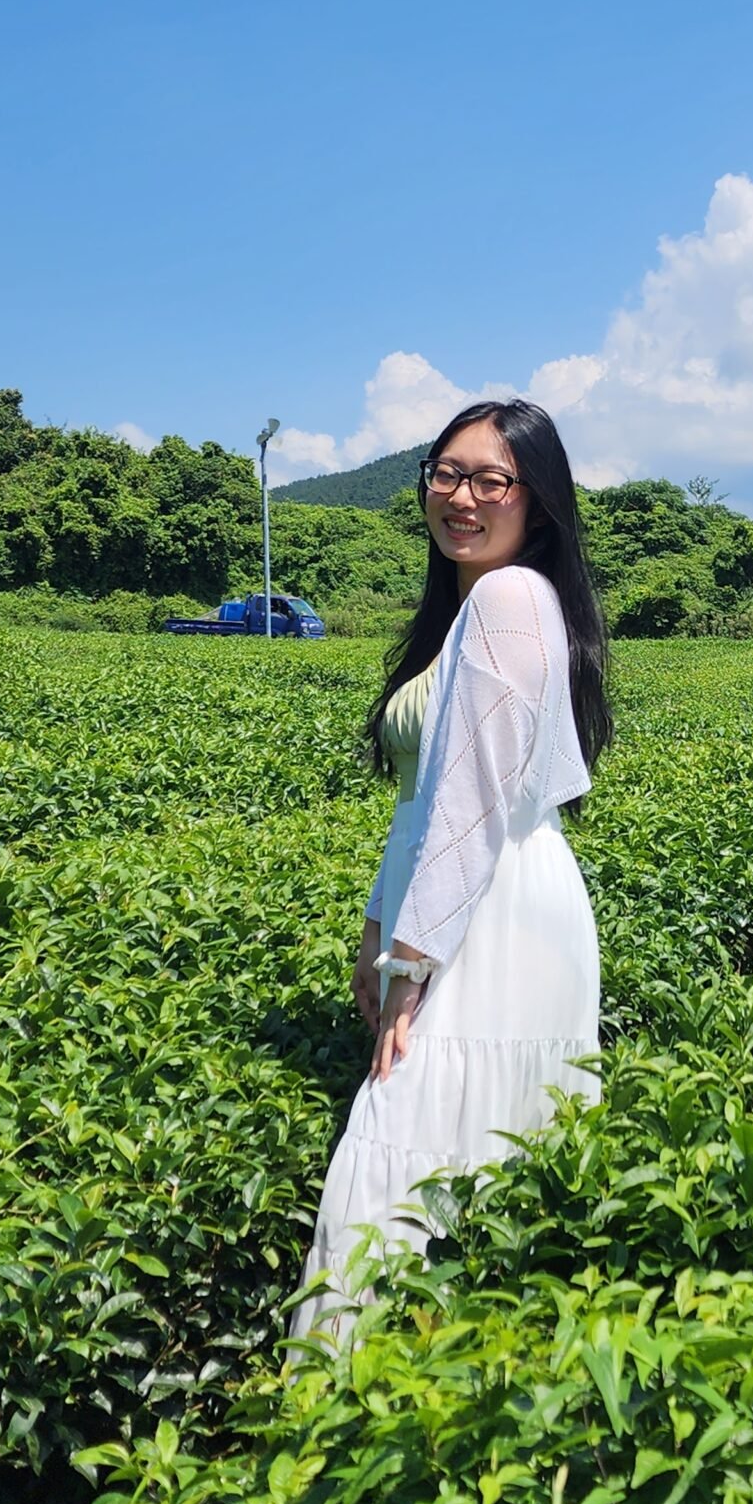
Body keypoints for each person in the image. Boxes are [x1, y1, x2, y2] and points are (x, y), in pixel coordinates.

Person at [289, 397, 611, 1341]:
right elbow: (423, 804)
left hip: (495, 907)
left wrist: (411, 963)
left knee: (412, 1135)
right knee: (470, 1154)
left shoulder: (509, 599)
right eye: (444, 473)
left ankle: (352, 1401)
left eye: (489, 479)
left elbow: (470, 806)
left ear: (537, 502)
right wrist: (377, 931)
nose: (459, 495)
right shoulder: (472, 606)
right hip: (472, 894)